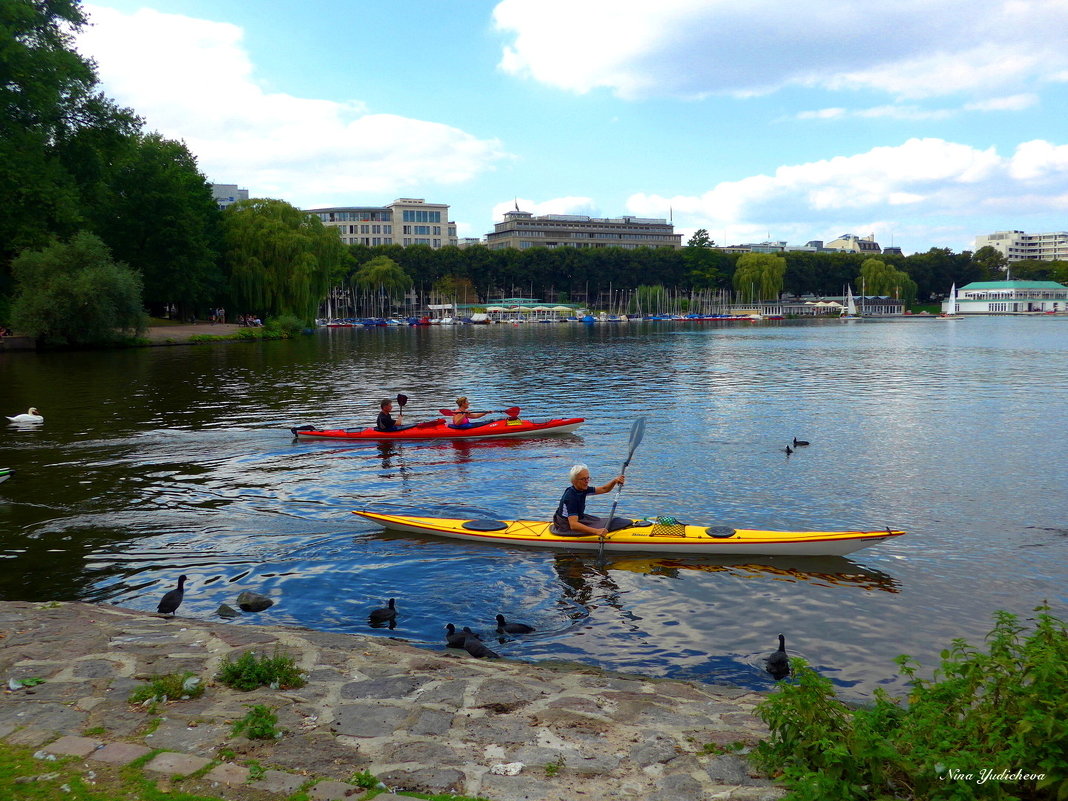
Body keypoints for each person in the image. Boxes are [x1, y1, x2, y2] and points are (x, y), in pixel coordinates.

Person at [551, 464, 629, 536]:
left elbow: (604, 489)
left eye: (588, 478)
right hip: (565, 525)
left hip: (579, 518)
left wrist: (615, 481)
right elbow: (573, 525)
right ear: (574, 481)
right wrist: (597, 531)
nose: (587, 481)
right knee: (610, 524)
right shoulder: (571, 497)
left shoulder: (582, 489)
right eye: (583, 479)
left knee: (615, 521)